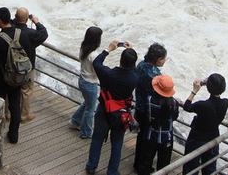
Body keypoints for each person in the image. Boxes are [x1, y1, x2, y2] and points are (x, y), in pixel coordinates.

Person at [85, 41, 138, 175]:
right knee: (117, 143)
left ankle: (91, 166)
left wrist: (108, 49)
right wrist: (131, 51)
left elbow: (96, 63)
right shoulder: (134, 78)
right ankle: (112, 171)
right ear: (133, 63)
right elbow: (135, 70)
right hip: (121, 114)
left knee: (97, 139)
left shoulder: (108, 74)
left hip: (104, 109)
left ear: (120, 60)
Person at [0, 7, 35, 144]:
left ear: (0, 21)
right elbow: (28, 54)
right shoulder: (22, 34)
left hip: (0, 77)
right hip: (17, 77)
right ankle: (13, 136)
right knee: (15, 106)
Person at [182, 73, 228, 175]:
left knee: (190, 167)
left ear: (208, 88)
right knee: (209, 169)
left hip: (196, 139)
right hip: (213, 138)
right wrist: (207, 84)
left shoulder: (202, 105)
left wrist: (195, 90)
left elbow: (186, 106)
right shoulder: (225, 102)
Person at [136, 75, 179, 175]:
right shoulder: (174, 103)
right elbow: (175, 117)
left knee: (146, 161)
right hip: (166, 138)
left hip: (151, 135)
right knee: (164, 164)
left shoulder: (149, 100)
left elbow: (145, 115)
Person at [134, 43, 167, 171]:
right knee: (147, 140)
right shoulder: (155, 76)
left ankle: (138, 163)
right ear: (158, 59)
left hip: (139, 106)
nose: (164, 61)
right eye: (164, 58)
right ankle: (143, 167)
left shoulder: (141, 65)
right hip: (149, 111)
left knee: (141, 137)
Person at [13, 7, 48, 122]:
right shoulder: (31, 34)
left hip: (11, 65)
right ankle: (24, 115)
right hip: (27, 67)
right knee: (26, 91)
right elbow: (44, 34)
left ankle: (7, 114)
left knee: (10, 88)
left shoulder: (10, 29)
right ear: (27, 19)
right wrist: (37, 22)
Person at [70, 26, 103, 139]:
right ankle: (86, 132)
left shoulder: (84, 47)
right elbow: (99, 69)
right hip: (90, 84)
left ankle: (75, 121)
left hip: (83, 80)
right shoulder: (94, 55)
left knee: (87, 104)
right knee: (90, 109)